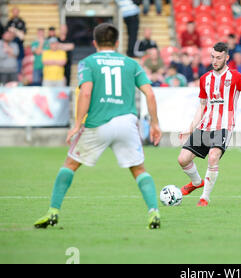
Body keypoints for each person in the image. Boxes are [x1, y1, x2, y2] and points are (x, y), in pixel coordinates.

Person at [34, 23, 162, 230]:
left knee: (70, 164)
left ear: (94, 43)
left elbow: (85, 93)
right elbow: (150, 93)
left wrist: (77, 124)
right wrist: (155, 123)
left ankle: (53, 211)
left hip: (97, 124)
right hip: (126, 123)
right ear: (118, 43)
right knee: (138, 169)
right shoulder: (131, 63)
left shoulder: (88, 63)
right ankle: (154, 211)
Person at [177, 42, 241, 207]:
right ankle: (197, 182)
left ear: (226, 58)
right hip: (205, 126)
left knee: (213, 157)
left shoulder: (236, 77)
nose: (215, 61)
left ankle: (204, 198)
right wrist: (190, 128)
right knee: (182, 159)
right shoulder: (205, 79)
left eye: (219, 58)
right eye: (212, 57)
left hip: (224, 126)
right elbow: (202, 106)